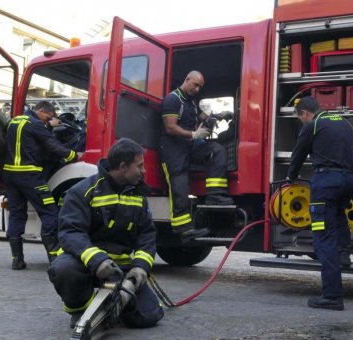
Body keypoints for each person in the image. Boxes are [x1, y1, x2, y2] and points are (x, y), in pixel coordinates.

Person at [48, 138, 164, 329]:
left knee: (149, 316)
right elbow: (71, 232)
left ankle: (114, 305)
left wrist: (141, 267)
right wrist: (97, 260)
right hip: (86, 264)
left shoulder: (137, 195)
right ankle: (81, 310)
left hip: (121, 270)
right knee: (64, 269)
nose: (144, 171)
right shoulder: (82, 191)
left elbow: (147, 235)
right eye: (140, 166)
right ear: (123, 167)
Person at [286, 96, 353, 311]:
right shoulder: (345, 122)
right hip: (349, 181)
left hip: (326, 183)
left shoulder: (313, 124)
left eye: (301, 119)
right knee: (338, 216)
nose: (302, 122)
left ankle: (332, 295)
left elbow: (298, 154)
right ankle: (344, 254)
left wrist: (291, 177)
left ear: (305, 113)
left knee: (323, 238)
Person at [3, 100, 83, 270]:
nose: (48, 120)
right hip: (30, 175)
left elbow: (28, 138)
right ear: (40, 111)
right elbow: (53, 146)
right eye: (48, 117)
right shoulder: (36, 124)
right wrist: (74, 156)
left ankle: (17, 259)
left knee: (17, 214)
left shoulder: (14, 121)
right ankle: (54, 258)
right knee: (49, 212)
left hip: (10, 176)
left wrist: (48, 126)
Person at [159, 70, 234, 239]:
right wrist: (193, 135)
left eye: (200, 87)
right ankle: (183, 230)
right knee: (179, 185)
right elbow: (170, 127)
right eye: (196, 85)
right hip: (173, 149)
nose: (198, 89)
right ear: (187, 80)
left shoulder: (191, 102)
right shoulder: (173, 99)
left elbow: (195, 119)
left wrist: (215, 116)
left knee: (216, 150)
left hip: (188, 146)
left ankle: (215, 195)